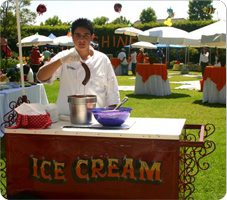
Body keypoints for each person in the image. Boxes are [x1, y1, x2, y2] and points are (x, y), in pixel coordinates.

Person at [37, 18, 120, 116]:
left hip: (95, 118)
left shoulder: (102, 59)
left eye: (86, 35)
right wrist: (61, 61)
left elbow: (112, 91)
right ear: (72, 36)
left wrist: (108, 116)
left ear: (92, 37)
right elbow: (41, 77)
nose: (81, 39)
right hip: (67, 118)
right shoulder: (63, 56)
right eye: (78, 35)